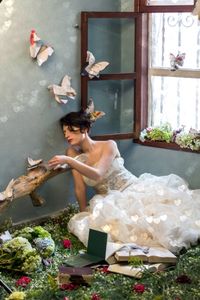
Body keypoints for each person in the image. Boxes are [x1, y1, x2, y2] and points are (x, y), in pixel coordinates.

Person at [48, 110, 200, 254]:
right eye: (64, 132)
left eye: (70, 130)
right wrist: (83, 213)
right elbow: (80, 188)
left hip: (133, 189)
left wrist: (68, 161)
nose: (67, 135)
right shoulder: (72, 153)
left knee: (158, 224)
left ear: (85, 128)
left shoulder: (109, 145)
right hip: (108, 200)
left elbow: (98, 174)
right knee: (104, 230)